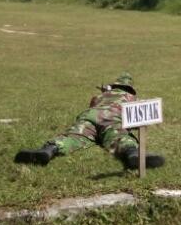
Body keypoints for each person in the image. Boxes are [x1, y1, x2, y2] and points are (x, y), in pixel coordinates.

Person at [14, 72, 165, 169]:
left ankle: (49, 150)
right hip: (112, 117)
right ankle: (132, 153)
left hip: (90, 115)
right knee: (119, 137)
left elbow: (93, 104)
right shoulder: (132, 98)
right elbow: (134, 116)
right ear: (129, 88)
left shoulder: (99, 96)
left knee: (73, 136)